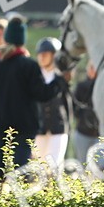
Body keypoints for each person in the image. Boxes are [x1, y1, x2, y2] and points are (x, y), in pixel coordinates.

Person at [0, 16, 62, 193]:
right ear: (22, 41)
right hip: (23, 128)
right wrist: (60, 80)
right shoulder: (29, 66)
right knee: (21, 173)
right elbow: (43, 94)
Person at [33, 37, 71, 170]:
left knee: (55, 166)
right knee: (39, 167)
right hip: (39, 128)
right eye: (40, 54)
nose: (41, 57)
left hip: (58, 127)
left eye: (45, 54)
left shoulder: (61, 77)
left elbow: (67, 103)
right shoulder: (34, 75)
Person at [72, 62, 101, 163]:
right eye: (91, 67)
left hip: (99, 134)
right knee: (82, 163)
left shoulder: (103, 86)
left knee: (100, 165)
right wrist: (82, 117)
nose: (93, 70)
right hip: (82, 132)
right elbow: (74, 106)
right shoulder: (81, 86)